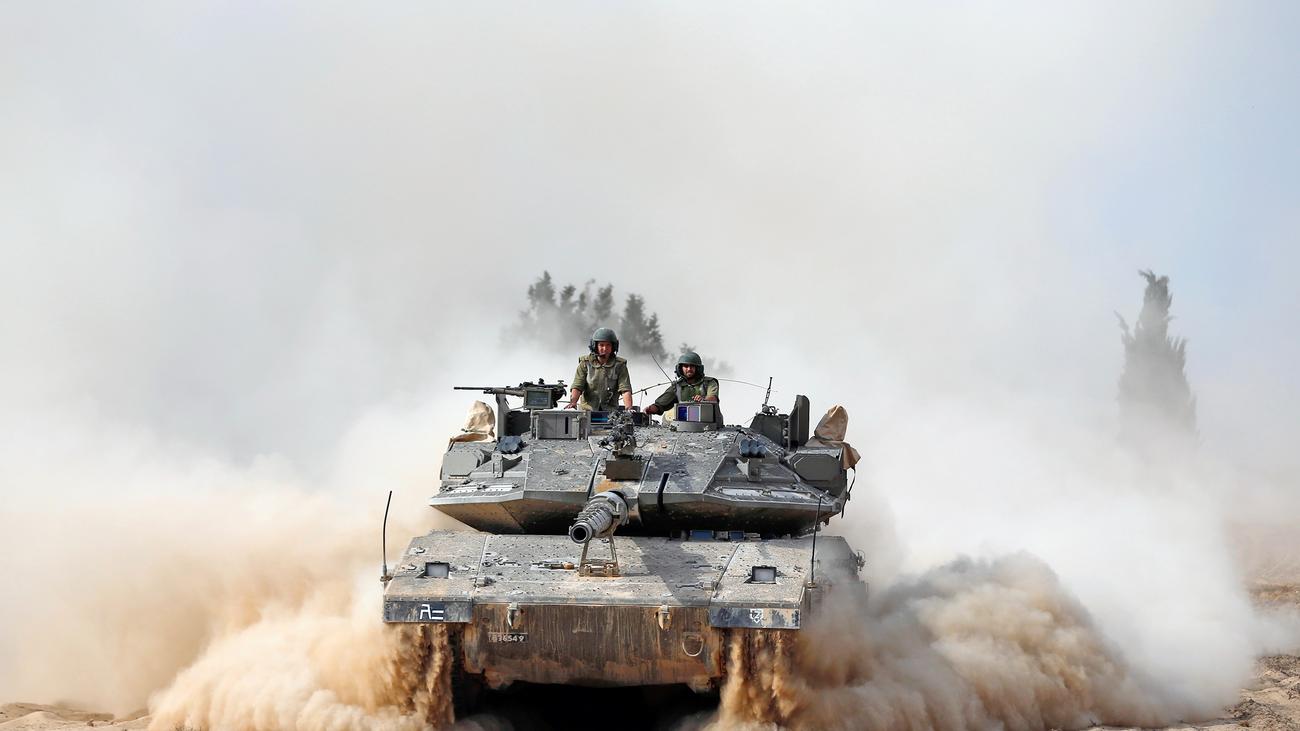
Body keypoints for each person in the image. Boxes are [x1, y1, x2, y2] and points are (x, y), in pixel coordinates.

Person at [566, 327, 634, 411]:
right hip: (587, 411)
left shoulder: (619, 366)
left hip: (610, 412)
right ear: (595, 346)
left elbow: (625, 389)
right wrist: (573, 402)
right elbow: (577, 386)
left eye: (608, 345)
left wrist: (628, 408)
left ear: (613, 346)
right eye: (601, 345)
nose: (605, 348)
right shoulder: (585, 364)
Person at [645, 351, 719, 417]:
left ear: (698, 368)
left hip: (708, 423)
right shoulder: (677, 386)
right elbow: (660, 404)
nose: (689, 369)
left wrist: (704, 399)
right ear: (680, 368)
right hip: (683, 423)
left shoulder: (709, 382)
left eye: (692, 366)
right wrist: (650, 409)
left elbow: (713, 398)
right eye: (686, 366)